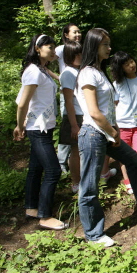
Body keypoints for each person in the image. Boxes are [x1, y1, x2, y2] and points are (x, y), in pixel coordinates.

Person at [76, 28, 137, 247]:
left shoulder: (99, 71)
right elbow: (94, 112)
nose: (109, 48)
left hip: (107, 132)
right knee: (89, 187)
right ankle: (94, 235)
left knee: (133, 159)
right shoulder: (88, 73)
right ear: (94, 46)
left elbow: (109, 107)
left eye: (109, 44)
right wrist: (113, 132)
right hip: (93, 134)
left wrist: (113, 129)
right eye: (105, 45)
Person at [13, 34, 69, 230]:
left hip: (42, 127)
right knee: (53, 171)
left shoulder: (41, 69)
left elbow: (57, 79)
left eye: (54, 47)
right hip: (37, 128)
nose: (53, 50)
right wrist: (20, 126)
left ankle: (31, 207)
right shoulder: (34, 72)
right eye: (49, 47)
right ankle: (45, 217)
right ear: (38, 49)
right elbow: (22, 103)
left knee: (36, 168)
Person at [111, 51, 137, 194]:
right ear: (120, 68)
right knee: (124, 156)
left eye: (131, 61)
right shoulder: (116, 84)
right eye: (126, 64)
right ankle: (127, 180)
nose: (131, 65)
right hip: (122, 126)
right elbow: (114, 104)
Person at [55, 23, 82, 173]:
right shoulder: (61, 50)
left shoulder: (79, 66)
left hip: (80, 105)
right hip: (71, 104)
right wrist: (58, 77)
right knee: (74, 143)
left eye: (79, 31)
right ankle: (63, 165)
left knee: (78, 146)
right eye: (74, 32)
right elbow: (68, 101)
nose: (78, 34)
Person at [59, 41, 84, 193]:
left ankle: (83, 179)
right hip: (74, 116)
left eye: (81, 53)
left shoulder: (78, 70)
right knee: (75, 150)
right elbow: (68, 101)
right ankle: (76, 182)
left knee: (82, 150)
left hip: (83, 114)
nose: (80, 56)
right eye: (77, 54)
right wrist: (74, 125)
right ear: (69, 56)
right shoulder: (68, 73)